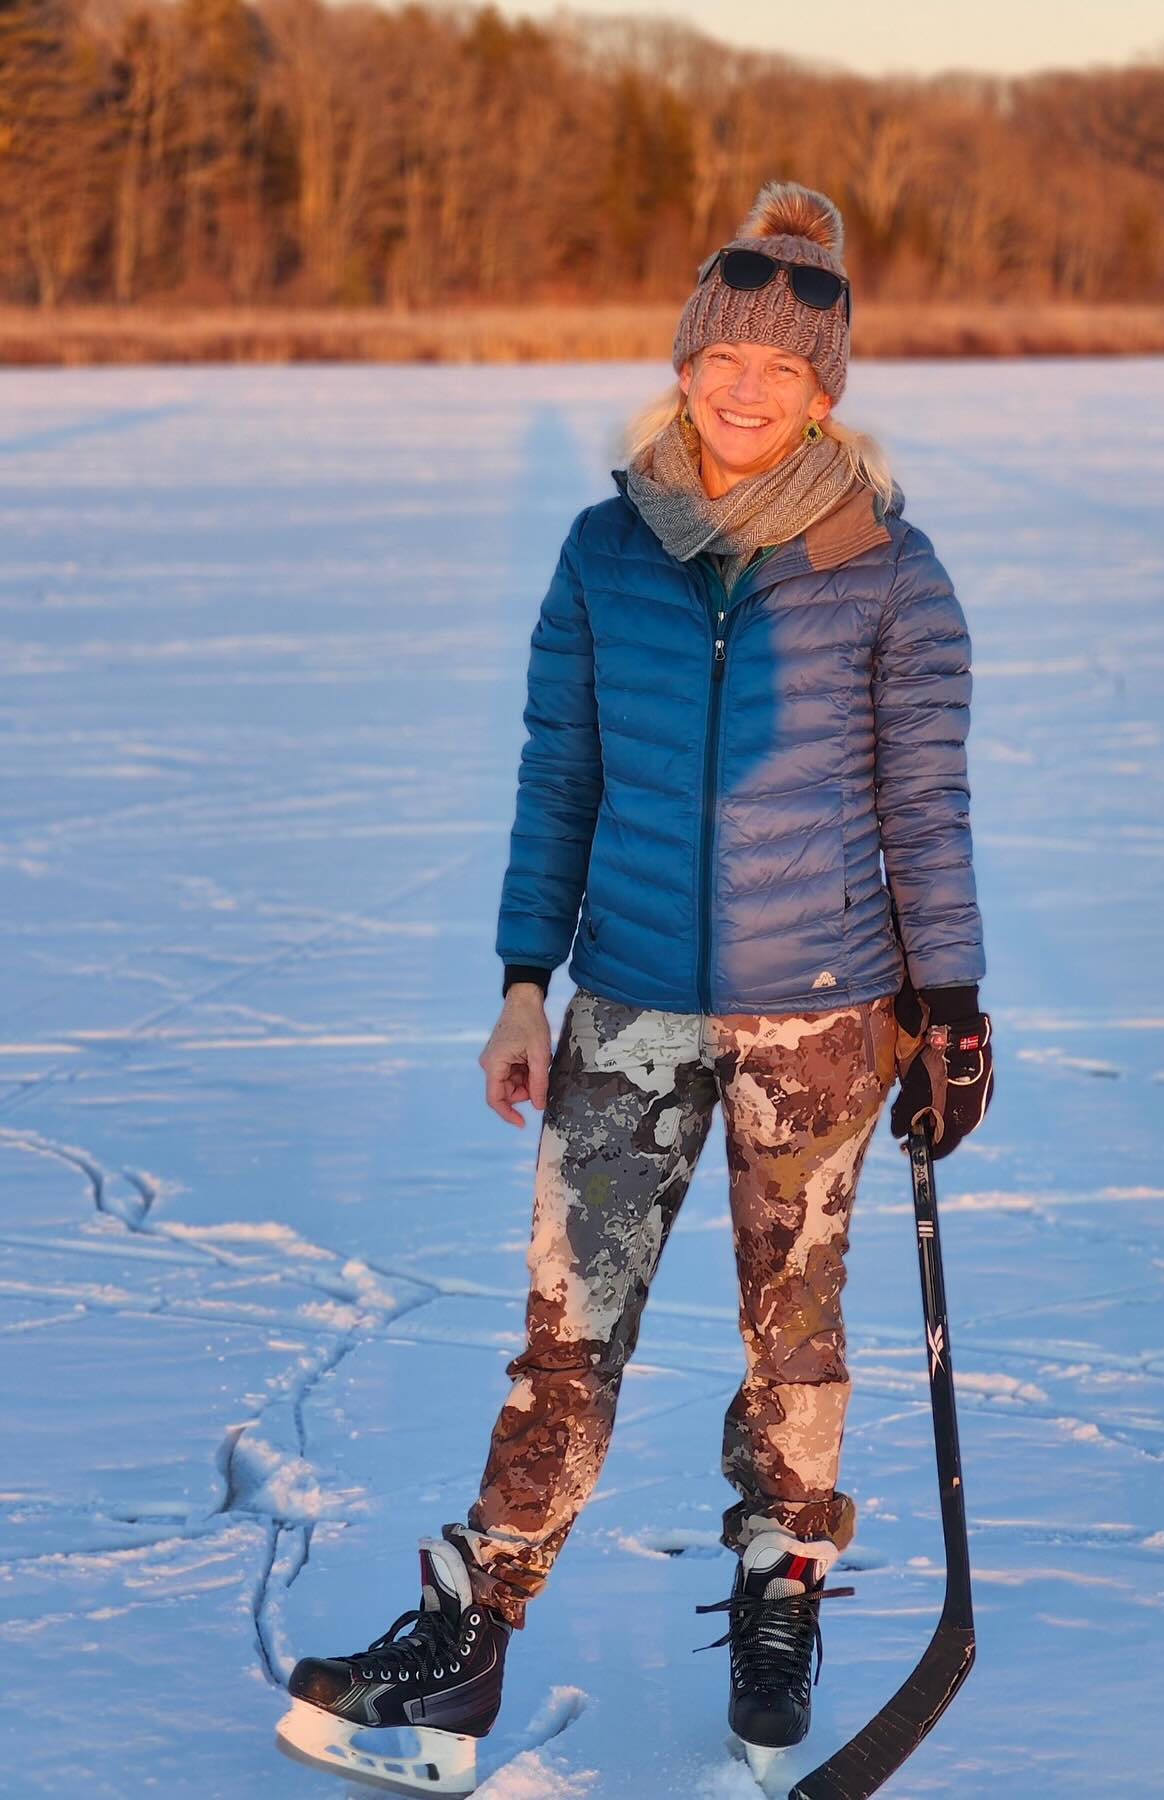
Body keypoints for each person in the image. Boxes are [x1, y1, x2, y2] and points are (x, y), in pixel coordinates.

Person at [277, 179, 994, 1795]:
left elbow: (925, 804)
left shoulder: (888, 570)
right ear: (683, 366)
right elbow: (562, 775)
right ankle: (468, 1638)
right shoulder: (608, 550)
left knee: (793, 1337)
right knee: (567, 1337)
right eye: (724, 359)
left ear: (824, 395)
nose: (748, 390)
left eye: (784, 371)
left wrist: (950, 1003)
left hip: (826, 1017)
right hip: (627, 1005)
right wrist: (523, 980)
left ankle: (778, 1595)